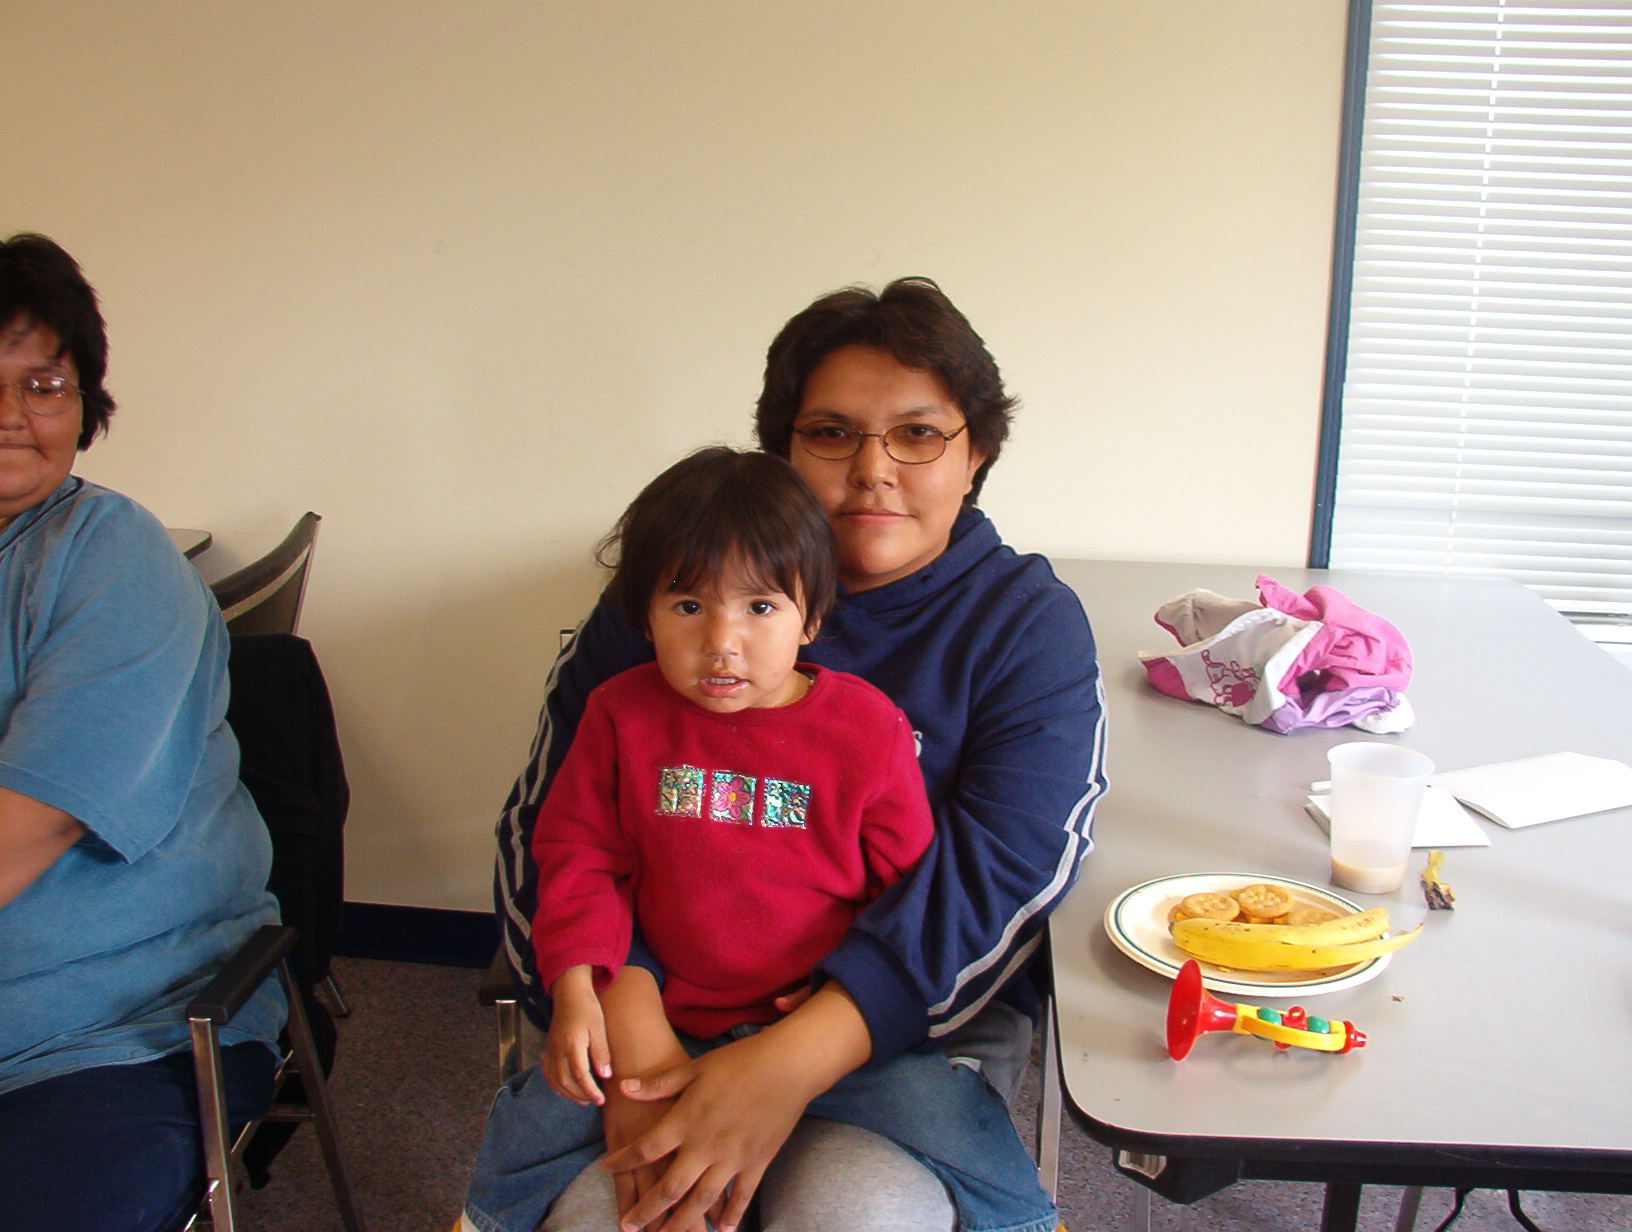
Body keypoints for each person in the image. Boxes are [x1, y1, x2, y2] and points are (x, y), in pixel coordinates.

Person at [493, 278, 1107, 1232]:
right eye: (831, 433)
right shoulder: (669, 603)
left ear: (976, 453)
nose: (872, 470)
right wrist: (634, 1019)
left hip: (894, 1033)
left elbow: (1003, 874)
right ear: (783, 446)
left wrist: (792, 1059)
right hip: (644, 1013)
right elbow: (553, 831)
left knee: (853, 1218)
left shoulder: (1025, 624)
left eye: (918, 433)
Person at [0, 234, 283, 1232]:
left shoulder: (108, 557)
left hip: (111, 1026)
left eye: (43, 385)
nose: (12, 415)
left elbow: (32, 822)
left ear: (84, 407)